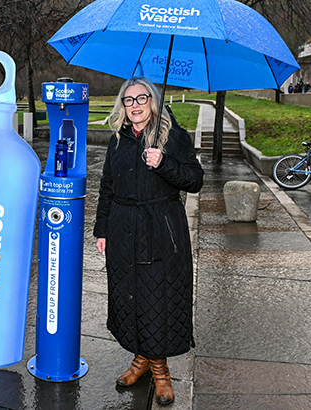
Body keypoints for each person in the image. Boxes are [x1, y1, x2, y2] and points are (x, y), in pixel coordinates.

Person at [94, 77, 204, 405]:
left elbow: (195, 180)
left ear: (153, 101)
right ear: (122, 106)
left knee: (159, 298)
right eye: (129, 100)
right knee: (130, 297)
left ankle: (160, 370)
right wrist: (101, 230)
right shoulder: (118, 141)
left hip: (161, 229)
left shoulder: (174, 137)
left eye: (142, 98)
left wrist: (164, 163)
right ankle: (141, 360)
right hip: (123, 229)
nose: (136, 105)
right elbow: (107, 188)